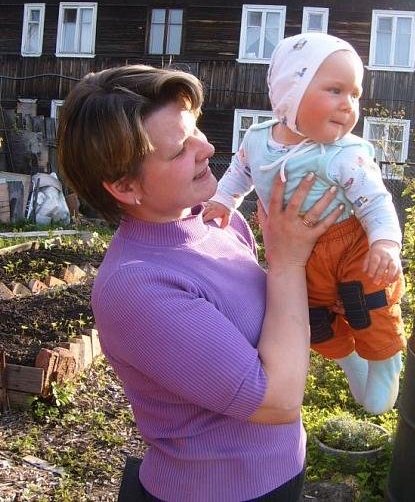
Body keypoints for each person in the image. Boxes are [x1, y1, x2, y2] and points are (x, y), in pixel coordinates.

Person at [56, 64, 344, 502]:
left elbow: (275, 323)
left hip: (282, 470)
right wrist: (287, 261)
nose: (207, 148)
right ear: (125, 187)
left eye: (195, 129)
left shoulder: (217, 223)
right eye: (179, 150)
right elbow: (278, 402)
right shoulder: (136, 287)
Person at [203, 32, 406, 415]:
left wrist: (385, 243)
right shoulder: (257, 140)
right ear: (290, 91)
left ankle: (384, 359)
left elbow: (377, 201)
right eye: (335, 90)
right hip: (304, 253)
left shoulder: (346, 154)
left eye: (355, 95)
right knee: (313, 315)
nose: (348, 105)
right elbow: (239, 173)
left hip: (351, 243)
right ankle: (348, 358)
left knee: (369, 298)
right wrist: (223, 200)